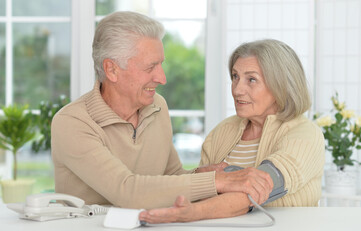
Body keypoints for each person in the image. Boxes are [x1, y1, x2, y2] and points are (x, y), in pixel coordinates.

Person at [51, 11, 273, 210]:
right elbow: (127, 191)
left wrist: (202, 175)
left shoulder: (157, 107)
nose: (162, 78)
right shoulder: (72, 123)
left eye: (161, 65)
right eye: (150, 67)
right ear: (112, 69)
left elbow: (171, 177)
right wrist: (219, 182)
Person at [139, 39, 325, 223]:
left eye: (251, 79)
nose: (237, 90)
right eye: (235, 77)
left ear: (281, 86)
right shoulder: (222, 132)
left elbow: (259, 189)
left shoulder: (304, 134)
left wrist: (192, 212)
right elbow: (202, 190)